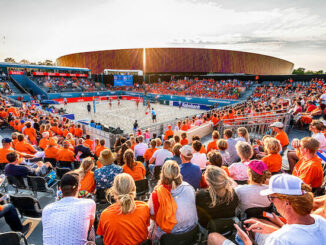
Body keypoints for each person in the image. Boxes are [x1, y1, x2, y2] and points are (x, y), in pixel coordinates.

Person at [248, 174, 326, 245]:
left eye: (272, 198)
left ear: (287, 202)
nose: (271, 201)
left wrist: (248, 243)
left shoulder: (277, 240)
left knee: (252, 222)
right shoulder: (320, 220)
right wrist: (277, 230)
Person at [148, 160, 198, 240]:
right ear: (178, 173)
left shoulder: (156, 194)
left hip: (169, 236)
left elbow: (151, 213)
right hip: (191, 231)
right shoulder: (189, 187)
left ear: (163, 174)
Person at [42, 173, 96, 245]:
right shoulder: (89, 203)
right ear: (79, 187)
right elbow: (89, 227)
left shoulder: (46, 209)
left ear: (60, 189)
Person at [97, 173, 150, 245]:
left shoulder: (105, 214)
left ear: (114, 191)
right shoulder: (145, 208)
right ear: (134, 189)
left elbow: (102, 234)